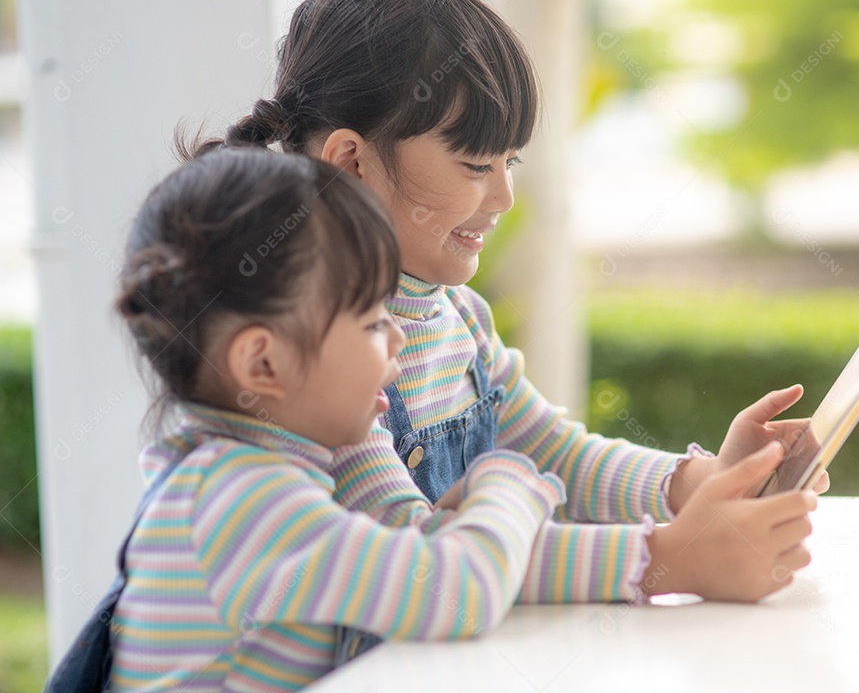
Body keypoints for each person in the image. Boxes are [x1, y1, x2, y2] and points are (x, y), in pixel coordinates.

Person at [196, 0, 821, 656]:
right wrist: (665, 559)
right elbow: (424, 556)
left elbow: (555, 453)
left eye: (510, 160)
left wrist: (698, 483)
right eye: (473, 164)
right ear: (352, 161)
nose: (504, 196)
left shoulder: (458, 318)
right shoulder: (320, 349)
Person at [100, 148, 567, 692]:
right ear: (264, 362)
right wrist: (509, 484)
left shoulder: (263, 474)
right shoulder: (241, 499)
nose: (399, 337)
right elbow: (459, 595)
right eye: (373, 321)